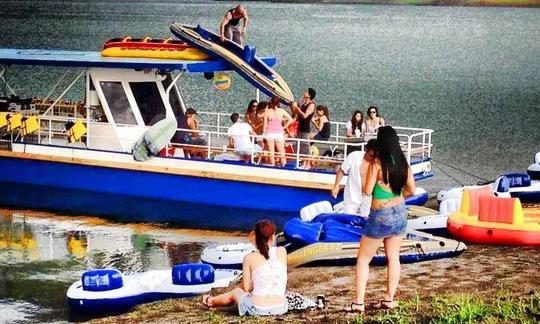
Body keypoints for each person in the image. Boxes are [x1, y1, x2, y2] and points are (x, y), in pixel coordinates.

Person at [349, 126, 416, 313]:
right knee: (393, 257)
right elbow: (412, 191)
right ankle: (389, 299)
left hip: (380, 215)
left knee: (363, 259)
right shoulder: (404, 164)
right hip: (400, 212)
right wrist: (395, 198)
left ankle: (358, 303)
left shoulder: (377, 163)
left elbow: (367, 191)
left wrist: (365, 169)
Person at [202, 220, 288, 317]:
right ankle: (211, 301)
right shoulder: (282, 251)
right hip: (281, 307)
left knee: (236, 292)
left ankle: (211, 301)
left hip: (258, 309)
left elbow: (246, 289)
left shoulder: (249, 258)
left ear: (256, 237)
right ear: (273, 237)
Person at [331, 139, 377, 216]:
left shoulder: (377, 162)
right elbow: (341, 170)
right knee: (348, 219)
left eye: (375, 156)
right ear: (366, 150)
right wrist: (336, 185)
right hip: (351, 196)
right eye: (371, 155)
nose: (372, 158)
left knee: (364, 223)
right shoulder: (354, 156)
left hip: (368, 199)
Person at [263, 96, 293, 167]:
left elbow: (265, 124)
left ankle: (272, 165)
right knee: (281, 152)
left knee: (271, 152)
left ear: (271, 101)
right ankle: (284, 165)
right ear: (278, 103)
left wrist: (263, 134)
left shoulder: (267, 111)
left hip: (270, 133)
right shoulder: (281, 111)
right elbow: (290, 119)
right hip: (279, 132)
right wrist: (284, 127)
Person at [291, 88, 316, 169]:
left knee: (305, 146)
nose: (304, 93)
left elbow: (305, 116)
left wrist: (297, 108)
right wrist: (294, 107)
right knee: (299, 146)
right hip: (300, 128)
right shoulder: (303, 104)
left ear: (309, 95)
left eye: (306, 92)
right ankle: (303, 163)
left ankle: (308, 164)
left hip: (305, 128)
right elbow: (298, 114)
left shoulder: (311, 105)